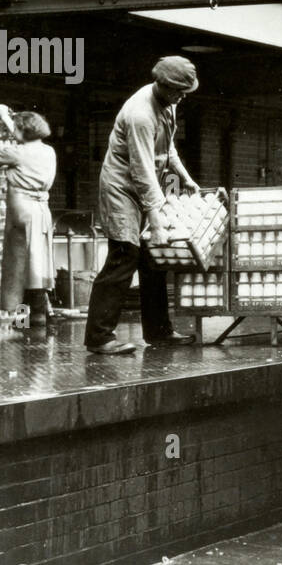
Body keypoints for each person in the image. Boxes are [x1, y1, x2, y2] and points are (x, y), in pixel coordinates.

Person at [84, 56, 201, 354]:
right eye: (178, 91)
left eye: (185, 92)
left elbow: (167, 146)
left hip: (144, 186)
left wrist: (185, 177)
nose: (182, 97)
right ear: (161, 85)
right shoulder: (140, 114)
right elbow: (142, 169)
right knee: (125, 254)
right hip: (122, 187)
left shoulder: (169, 102)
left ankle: (159, 331)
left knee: (153, 258)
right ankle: (99, 337)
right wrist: (157, 219)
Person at [0, 110, 56, 328]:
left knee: (19, 267)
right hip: (41, 210)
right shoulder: (48, 151)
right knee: (38, 265)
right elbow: (23, 136)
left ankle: (29, 318)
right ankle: (39, 315)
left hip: (21, 211)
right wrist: (8, 119)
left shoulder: (17, 153)